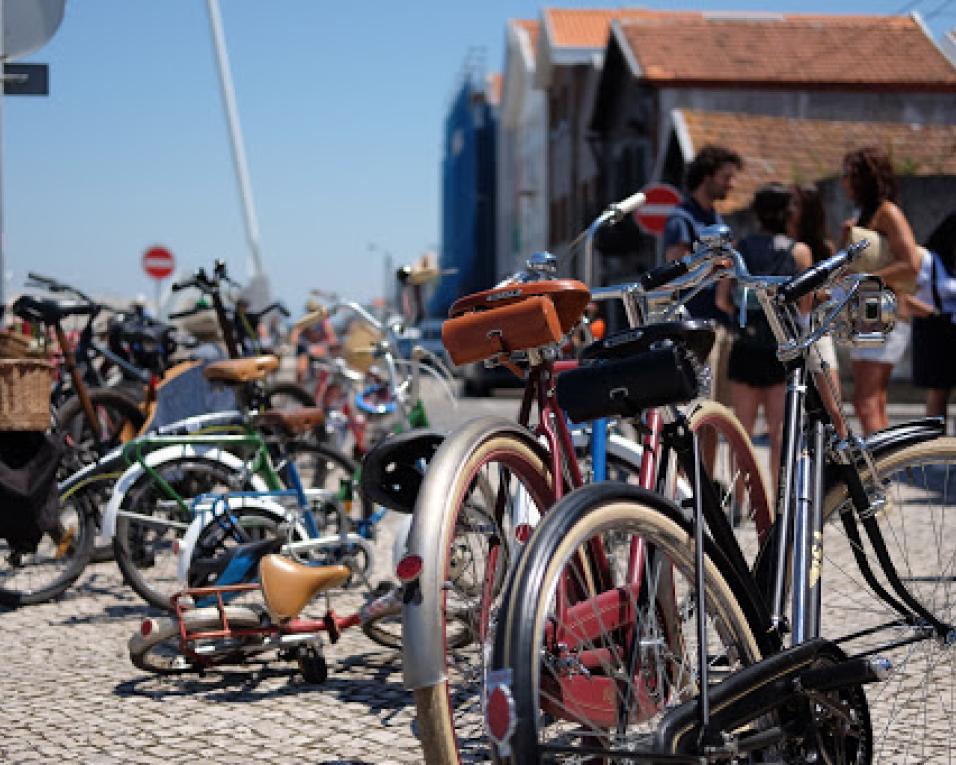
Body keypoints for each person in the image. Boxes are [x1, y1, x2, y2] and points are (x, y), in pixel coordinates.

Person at [716, 184, 812, 485]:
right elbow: (806, 305)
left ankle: (742, 504)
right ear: (789, 212)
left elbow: (722, 299)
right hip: (782, 348)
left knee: (741, 432)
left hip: (746, 347)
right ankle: (778, 504)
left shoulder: (740, 249)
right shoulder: (799, 251)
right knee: (781, 435)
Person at [840, 147, 921, 435]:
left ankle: (878, 475)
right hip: (871, 311)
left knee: (865, 401)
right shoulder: (866, 214)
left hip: (886, 311)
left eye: (848, 175)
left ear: (865, 178)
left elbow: (910, 264)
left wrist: (866, 278)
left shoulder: (888, 212)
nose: (843, 182)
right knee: (874, 401)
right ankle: (887, 471)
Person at [663, 145, 743, 411]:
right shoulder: (681, 219)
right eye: (726, 177)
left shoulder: (716, 218)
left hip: (720, 325)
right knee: (698, 408)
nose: (731, 185)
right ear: (708, 176)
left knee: (717, 412)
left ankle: (708, 457)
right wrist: (719, 266)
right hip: (695, 328)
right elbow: (675, 276)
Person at [788, 183, 844, 427]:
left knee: (833, 407)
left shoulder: (822, 246)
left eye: (795, 204)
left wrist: (816, 294)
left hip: (816, 329)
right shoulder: (779, 243)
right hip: (786, 329)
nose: (789, 209)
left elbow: (834, 289)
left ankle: (842, 459)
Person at [910, 212, 956, 425]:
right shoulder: (928, 260)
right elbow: (904, 297)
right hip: (936, 329)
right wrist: (932, 313)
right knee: (939, 392)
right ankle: (935, 448)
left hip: (951, 328)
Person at [292, 298, 339, 384]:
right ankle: (297, 390)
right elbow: (295, 336)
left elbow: (332, 337)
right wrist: (304, 345)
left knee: (329, 371)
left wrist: (329, 346)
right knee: (301, 369)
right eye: (311, 311)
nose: (313, 313)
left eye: (315, 311)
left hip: (320, 349)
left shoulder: (323, 321)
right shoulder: (304, 321)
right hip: (305, 348)